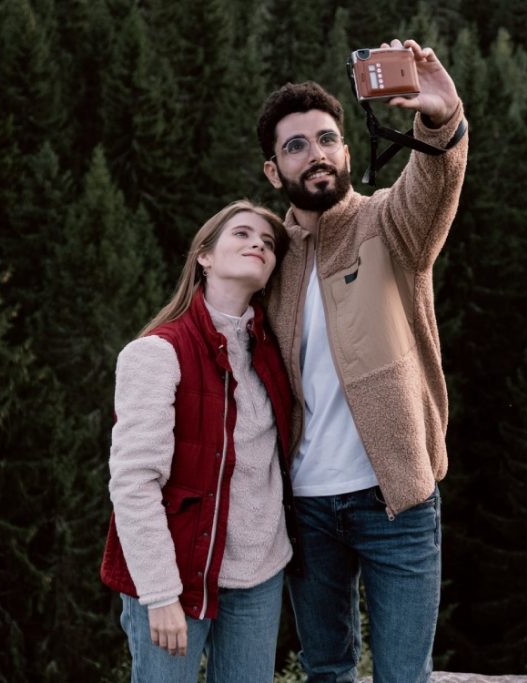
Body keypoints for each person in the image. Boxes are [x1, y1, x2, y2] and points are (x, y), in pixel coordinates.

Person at [256, 39, 468, 682]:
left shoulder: (389, 225)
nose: (315, 154)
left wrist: (439, 116)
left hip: (395, 500)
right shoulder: (271, 259)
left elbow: (432, 181)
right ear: (274, 172)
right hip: (307, 509)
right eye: (296, 145)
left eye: (326, 139)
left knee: (404, 675)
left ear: (346, 152)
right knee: (327, 673)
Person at [100, 200, 297, 682]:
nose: (258, 244)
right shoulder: (157, 353)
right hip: (177, 578)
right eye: (243, 234)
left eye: (269, 243)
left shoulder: (274, 350)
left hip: (259, 577)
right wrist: (160, 594)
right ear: (204, 256)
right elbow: (133, 484)